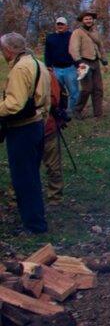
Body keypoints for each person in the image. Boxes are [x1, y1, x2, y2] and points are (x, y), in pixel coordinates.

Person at [0, 33, 50, 234]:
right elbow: (45, 99)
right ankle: (34, 220)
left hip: (22, 128)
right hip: (36, 125)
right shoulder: (38, 63)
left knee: (24, 178)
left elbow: (14, 104)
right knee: (31, 176)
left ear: (9, 50)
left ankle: (34, 225)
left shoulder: (20, 68)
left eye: (2, 49)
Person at [68, 10, 108, 118]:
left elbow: (101, 47)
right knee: (87, 89)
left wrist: (104, 61)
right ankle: (77, 110)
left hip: (95, 62)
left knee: (98, 88)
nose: (88, 21)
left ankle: (98, 113)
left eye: (90, 19)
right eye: (86, 19)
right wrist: (79, 62)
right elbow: (73, 48)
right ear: (82, 21)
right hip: (84, 62)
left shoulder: (95, 32)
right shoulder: (77, 32)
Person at [42, 66, 68, 205]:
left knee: (53, 164)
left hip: (48, 125)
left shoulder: (47, 74)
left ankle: (55, 195)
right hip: (28, 127)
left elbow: (55, 99)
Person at [44, 16, 79, 117]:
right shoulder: (50, 37)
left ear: (66, 26)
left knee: (73, 91)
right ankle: (59, 110)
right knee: (57, 91)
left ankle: (72, 111)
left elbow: (76, 51)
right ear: (56, 25)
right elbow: (47, 52)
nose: (60, 26)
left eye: (62, 24)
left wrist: (78, 65)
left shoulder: (72, 36)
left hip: (70, 68)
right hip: (56, 69)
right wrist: (48, 65)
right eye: (58, 24)